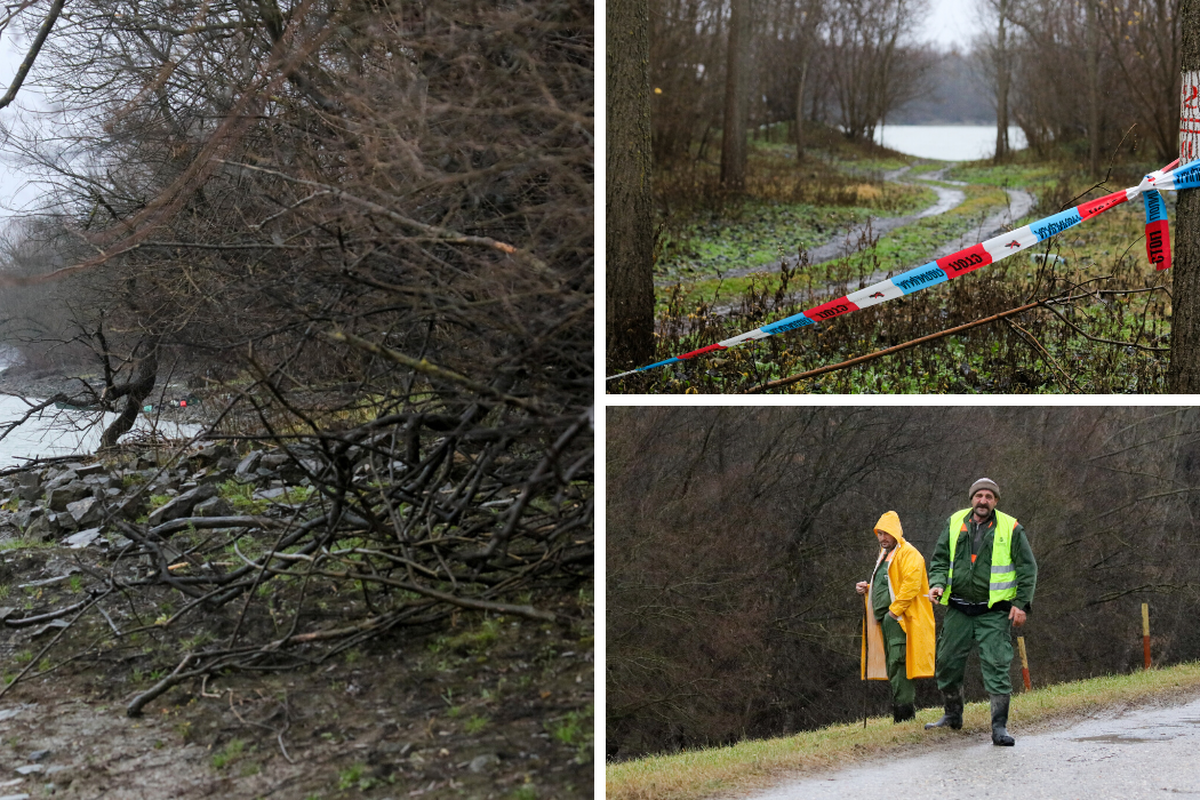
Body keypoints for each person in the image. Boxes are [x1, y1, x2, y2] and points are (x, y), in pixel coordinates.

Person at [924, 478, 1037, 746]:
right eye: (979, 496)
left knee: (996, 666)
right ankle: (952, 715)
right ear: (971, 499)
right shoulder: (954, 522)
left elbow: (1027, 568)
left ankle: (999, 728)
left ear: (995, 501)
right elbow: (939, 559)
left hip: (994, 612)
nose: (983, 501)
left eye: (988, 496)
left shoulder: (1011, 528)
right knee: (947, 663)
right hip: (958, 609)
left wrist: (1021, 604)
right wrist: (937, 583)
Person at [856, 510, 935, 723]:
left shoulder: (910, 554)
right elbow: (890, 584)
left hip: (900, 622)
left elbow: (911, 585)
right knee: (893, 666)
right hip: (887, 622)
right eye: (879, 533)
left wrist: (894, 612)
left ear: (896, 533)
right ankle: (901, 715)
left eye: (886, 533)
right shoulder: (885, 555)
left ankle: (904, 716)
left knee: (900, 666)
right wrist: (868, 589)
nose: (882, 538)